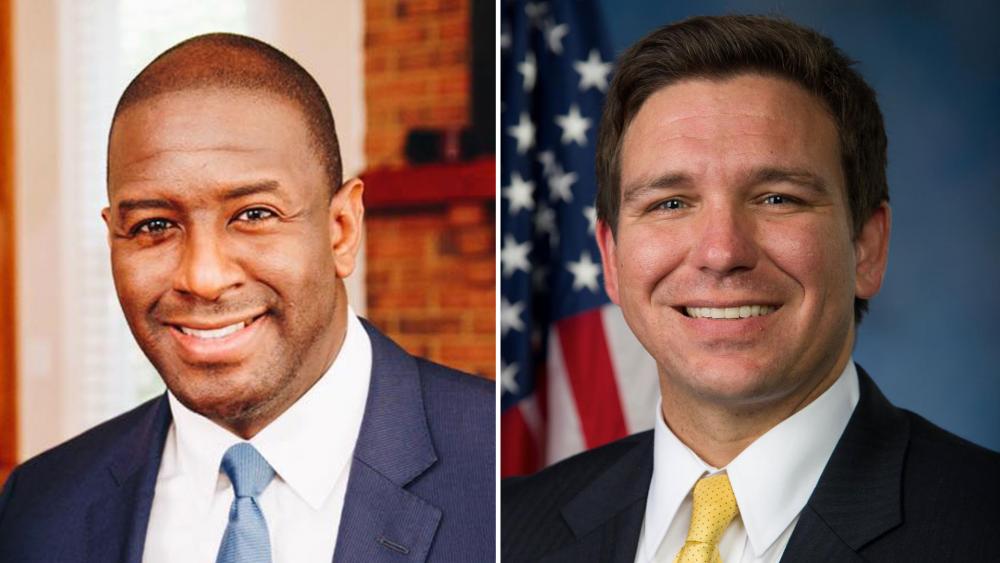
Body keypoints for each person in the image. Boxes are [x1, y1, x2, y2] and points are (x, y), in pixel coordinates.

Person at [502, 15, 999, 562]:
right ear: (612, 260)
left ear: (867, 247)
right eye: (670, 203)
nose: (721, 252)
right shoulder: (506, 528)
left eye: (777, 198)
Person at [0, 33, 493, 563]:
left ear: (341, 229)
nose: (204, 278)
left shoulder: (500, 470)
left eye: (254, 214)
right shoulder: (39, 508)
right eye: (154, 225)